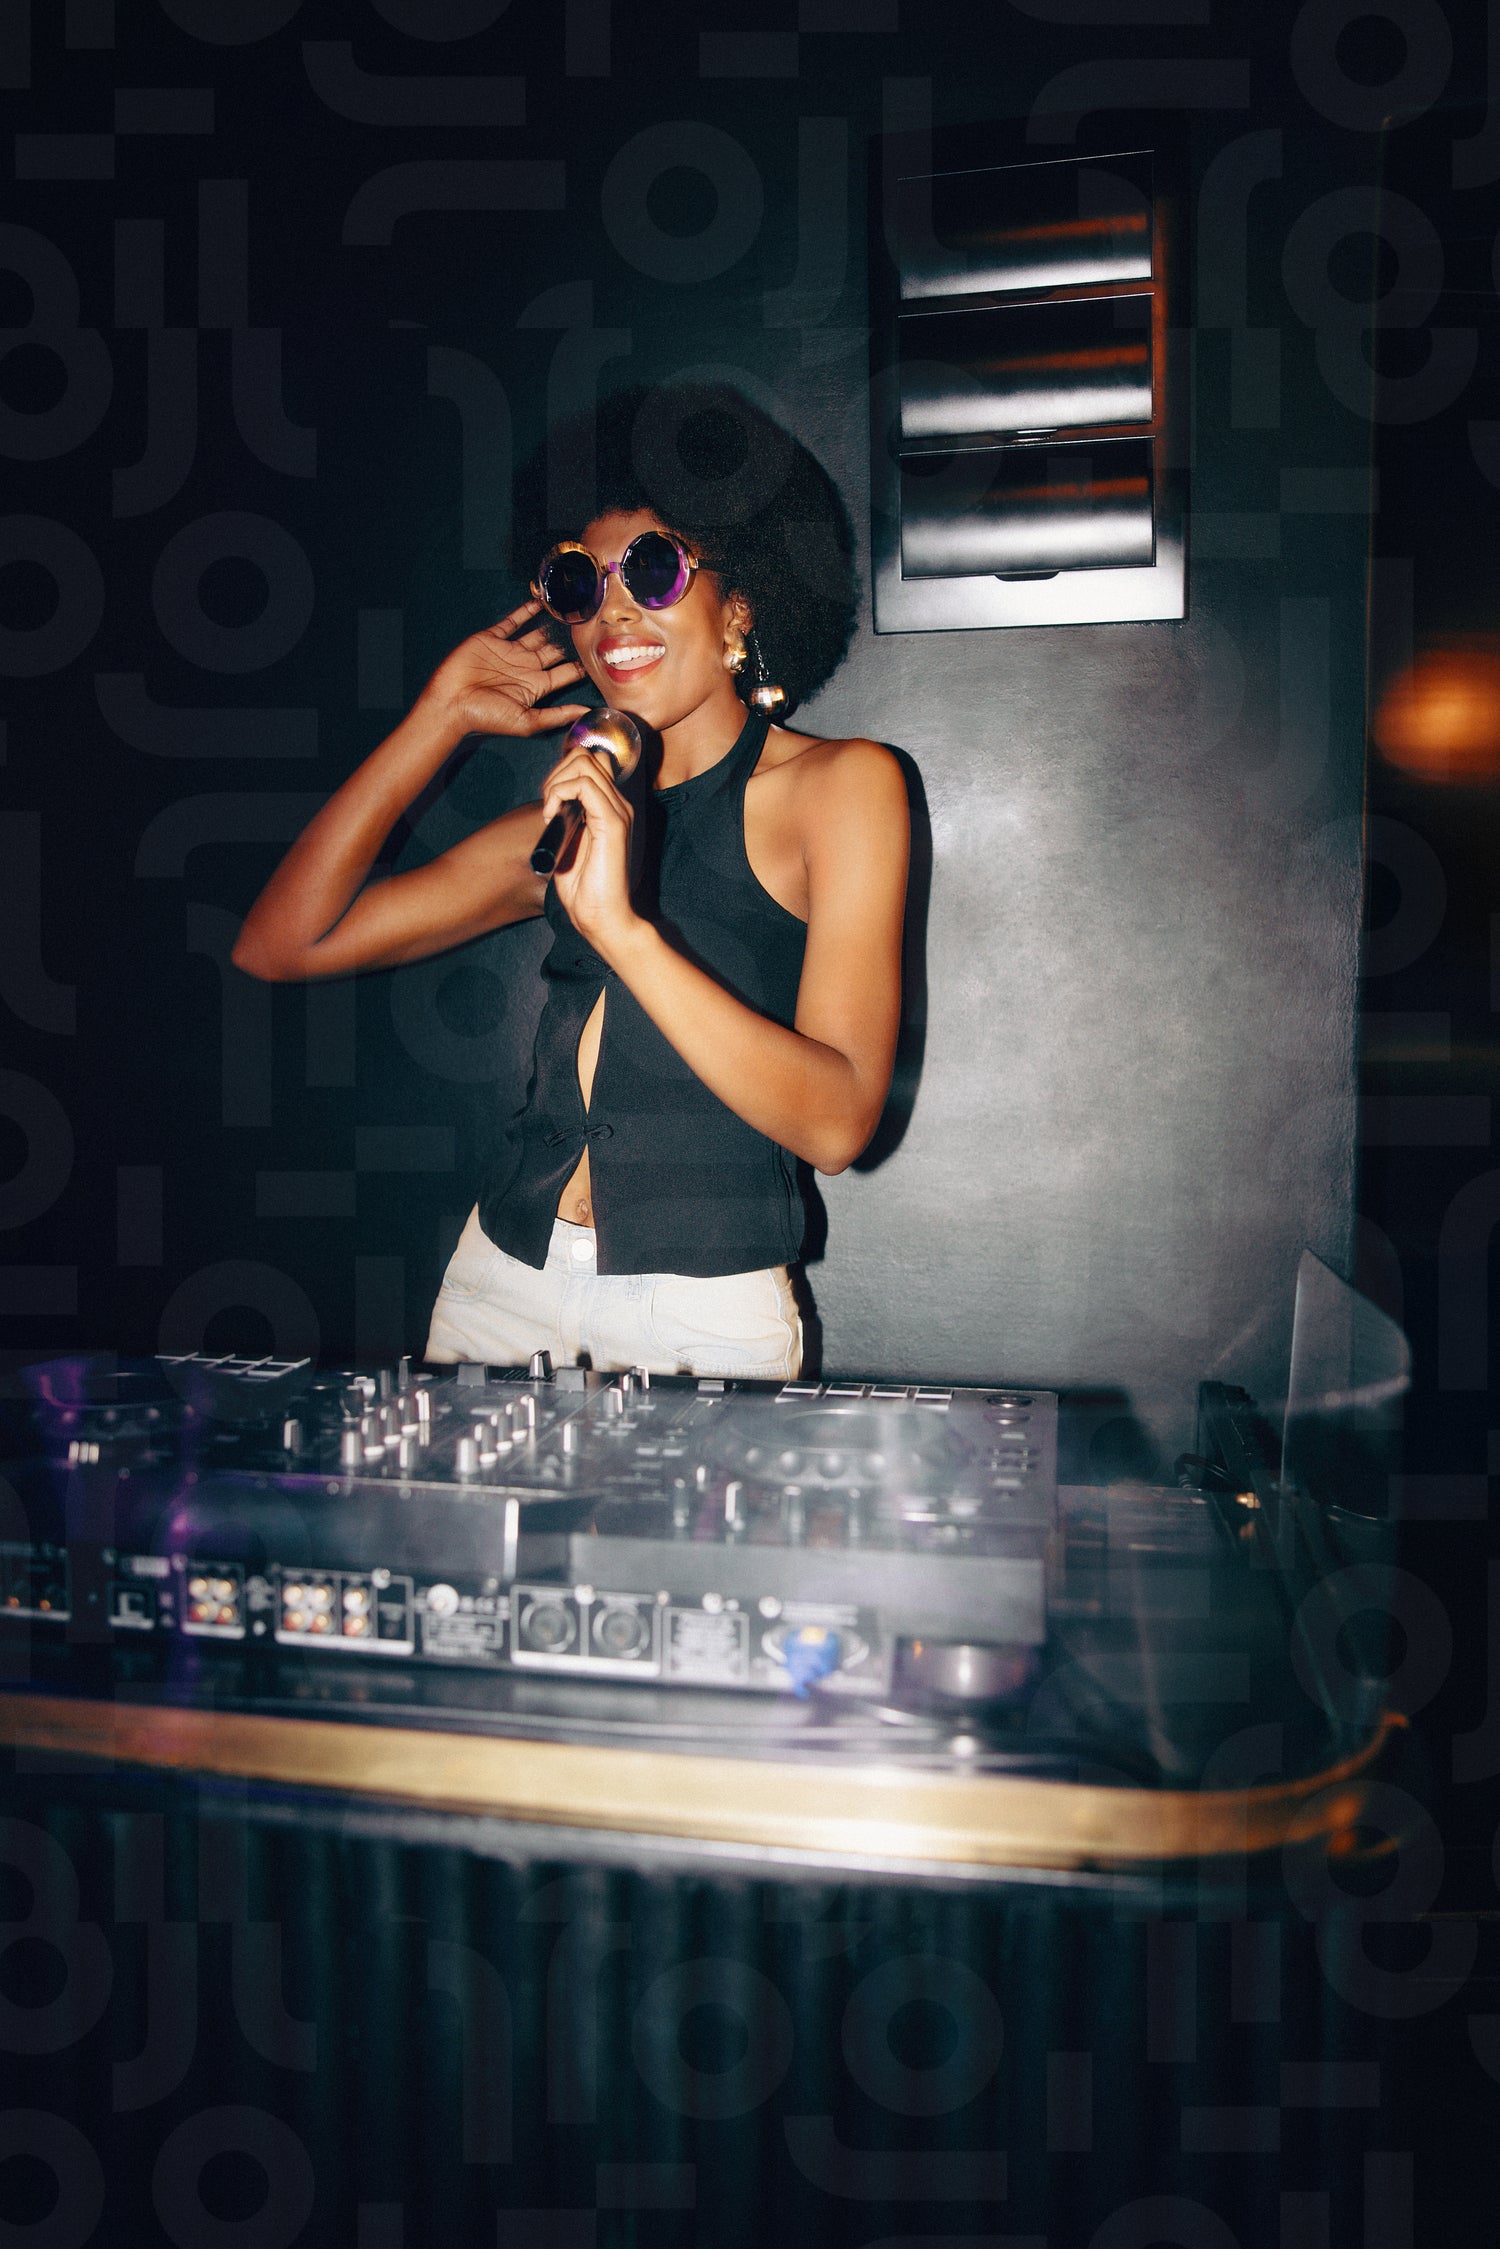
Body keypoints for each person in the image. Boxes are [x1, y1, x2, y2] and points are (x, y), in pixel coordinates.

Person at [233, 384, 909, 1378]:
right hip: (501, 1285)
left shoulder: (842, 787)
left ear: (739, 606)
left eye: (654, 569)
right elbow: (279, 943)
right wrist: (438, 717)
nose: (612, 611)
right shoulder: (567, 824)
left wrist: (624, 931)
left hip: (703, 1315)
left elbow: (838, 1122)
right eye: (580, 583)